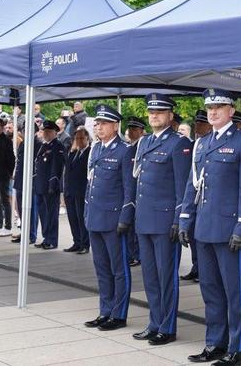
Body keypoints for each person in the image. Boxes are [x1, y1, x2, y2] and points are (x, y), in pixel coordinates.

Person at [179, 89, 241, 366]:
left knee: (233, 291)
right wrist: (185, 219)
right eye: (209, 107)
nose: (212, 112)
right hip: (204, 227)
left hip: (228, 230)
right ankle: (215, 343)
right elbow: (193, 185)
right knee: (210, 290)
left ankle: (236, 349)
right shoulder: (201, 144)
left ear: (231, 111)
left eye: (219, 106)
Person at [131, 93, 192, 346]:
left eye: (159, 112)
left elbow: (183, 186)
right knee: (150, 276)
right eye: (151, 112)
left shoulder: (179, 143)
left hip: (165, 221)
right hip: (145, 219)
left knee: (166, 276)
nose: (154, 115)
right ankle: (154, 321)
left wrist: (179, 220)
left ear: (170, 116)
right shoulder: (144, 142)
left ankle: (167, 327)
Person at [84, 104, 136, 331]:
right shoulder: (96, 148)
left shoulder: (124, 150)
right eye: (97, 123)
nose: (99, 127)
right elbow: (91, 183)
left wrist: (125, 217)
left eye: (104, 123)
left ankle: (118, 314)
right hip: (95, 217)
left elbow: (129, 188)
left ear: (115, 126)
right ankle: (105, 310)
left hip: (114, 219)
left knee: (118, 269)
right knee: (101, 268)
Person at [181, 109, 213, 284]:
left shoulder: (207, 144)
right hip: (193, 199)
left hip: (207, 201)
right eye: (196, 124)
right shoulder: (195, 145)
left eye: (201, 123)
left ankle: (202, 270)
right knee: (193, 237)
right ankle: (196, 267)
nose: (197, 127)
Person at [33, 120, 65, 249]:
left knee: (51, 214)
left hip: (50, 186)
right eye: (44, 131)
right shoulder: (44, 145)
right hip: (40, 185)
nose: (45, 133)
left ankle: (52, 240)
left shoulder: (57, 146)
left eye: (48, 131)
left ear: (54, 132)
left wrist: (52, 185)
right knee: (43, 214)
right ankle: (46, 237)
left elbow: (56, 168)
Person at [63, 126, 91, 254]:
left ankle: (85, 244)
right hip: (70, 191)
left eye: (81, 138)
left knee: (81, 218)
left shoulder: (89, 153)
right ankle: (77, 241)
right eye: (77, 138)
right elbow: (67, 172)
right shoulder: (73, 153)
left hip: (81, 191)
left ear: (87, 138)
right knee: (72, 218)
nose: (79, 141)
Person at [125, 116, 146, 267]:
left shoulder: (142, 147)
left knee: (135, 227)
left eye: (135, 129)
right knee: (130, 227)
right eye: (130, 129)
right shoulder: (130, 147)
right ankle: (133, 253)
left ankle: (137, 255)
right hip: (129, 193)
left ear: (141, 131)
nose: (131, 132)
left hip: (138, 193)